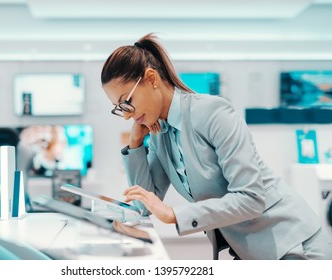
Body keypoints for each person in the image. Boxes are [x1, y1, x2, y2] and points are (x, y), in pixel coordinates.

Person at [101, 33, 332, 260]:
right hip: (255, 250)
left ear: (151, 79)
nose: (125, 116)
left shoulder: (213, 112)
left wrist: (174, 214)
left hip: (295, 246)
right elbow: (145, 204)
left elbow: (250, 197)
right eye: (119, 107)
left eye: (127, 102)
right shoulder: (161, 134)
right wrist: (135, 144)